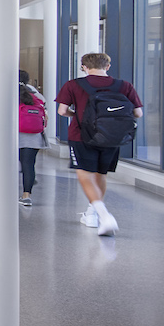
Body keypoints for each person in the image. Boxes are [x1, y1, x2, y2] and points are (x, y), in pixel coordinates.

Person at [56, 51, 143, 235]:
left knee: (85, 176)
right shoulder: (124, 85)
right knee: (100, 175)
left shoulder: (74, 85)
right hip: (111, 137)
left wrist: (77, 115)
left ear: (84, 67)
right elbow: (138, 113)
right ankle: (91, 214)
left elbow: (62, 111)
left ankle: (104, 216)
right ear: (107, 66)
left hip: (81, 136)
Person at [18, 69, 47, 205]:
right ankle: (26, 196)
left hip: (14, 136)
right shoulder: (37, 95)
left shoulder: (9, 93)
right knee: (29, 165)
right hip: (34, 136)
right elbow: (45, 116)